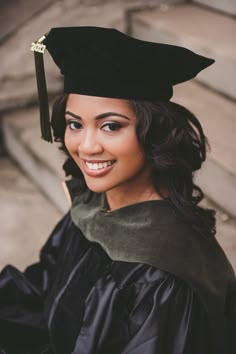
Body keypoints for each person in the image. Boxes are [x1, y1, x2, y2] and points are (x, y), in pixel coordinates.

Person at [0, 26, 235, 354]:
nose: (86, 146)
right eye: (74, 124)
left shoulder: (164, 275)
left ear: (155, 133)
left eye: (110, 126)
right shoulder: (94, 208)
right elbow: (41, 291)